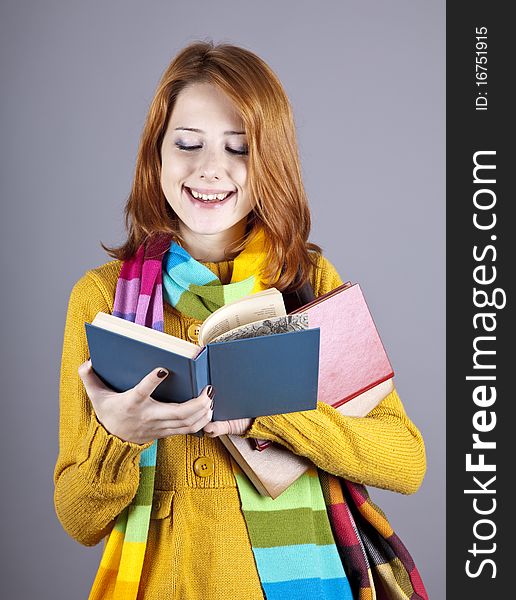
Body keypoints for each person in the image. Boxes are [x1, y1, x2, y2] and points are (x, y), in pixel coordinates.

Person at [54, 40, 427, 600]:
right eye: (187, 143)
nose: (210, 169)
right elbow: (78, 519)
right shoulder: (104, 300)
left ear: (269, 161)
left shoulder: (308, 284)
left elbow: (405, 460)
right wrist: (119, 437)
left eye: (239, 148)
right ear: (157, 154)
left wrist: (266, 417)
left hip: (314, 581)